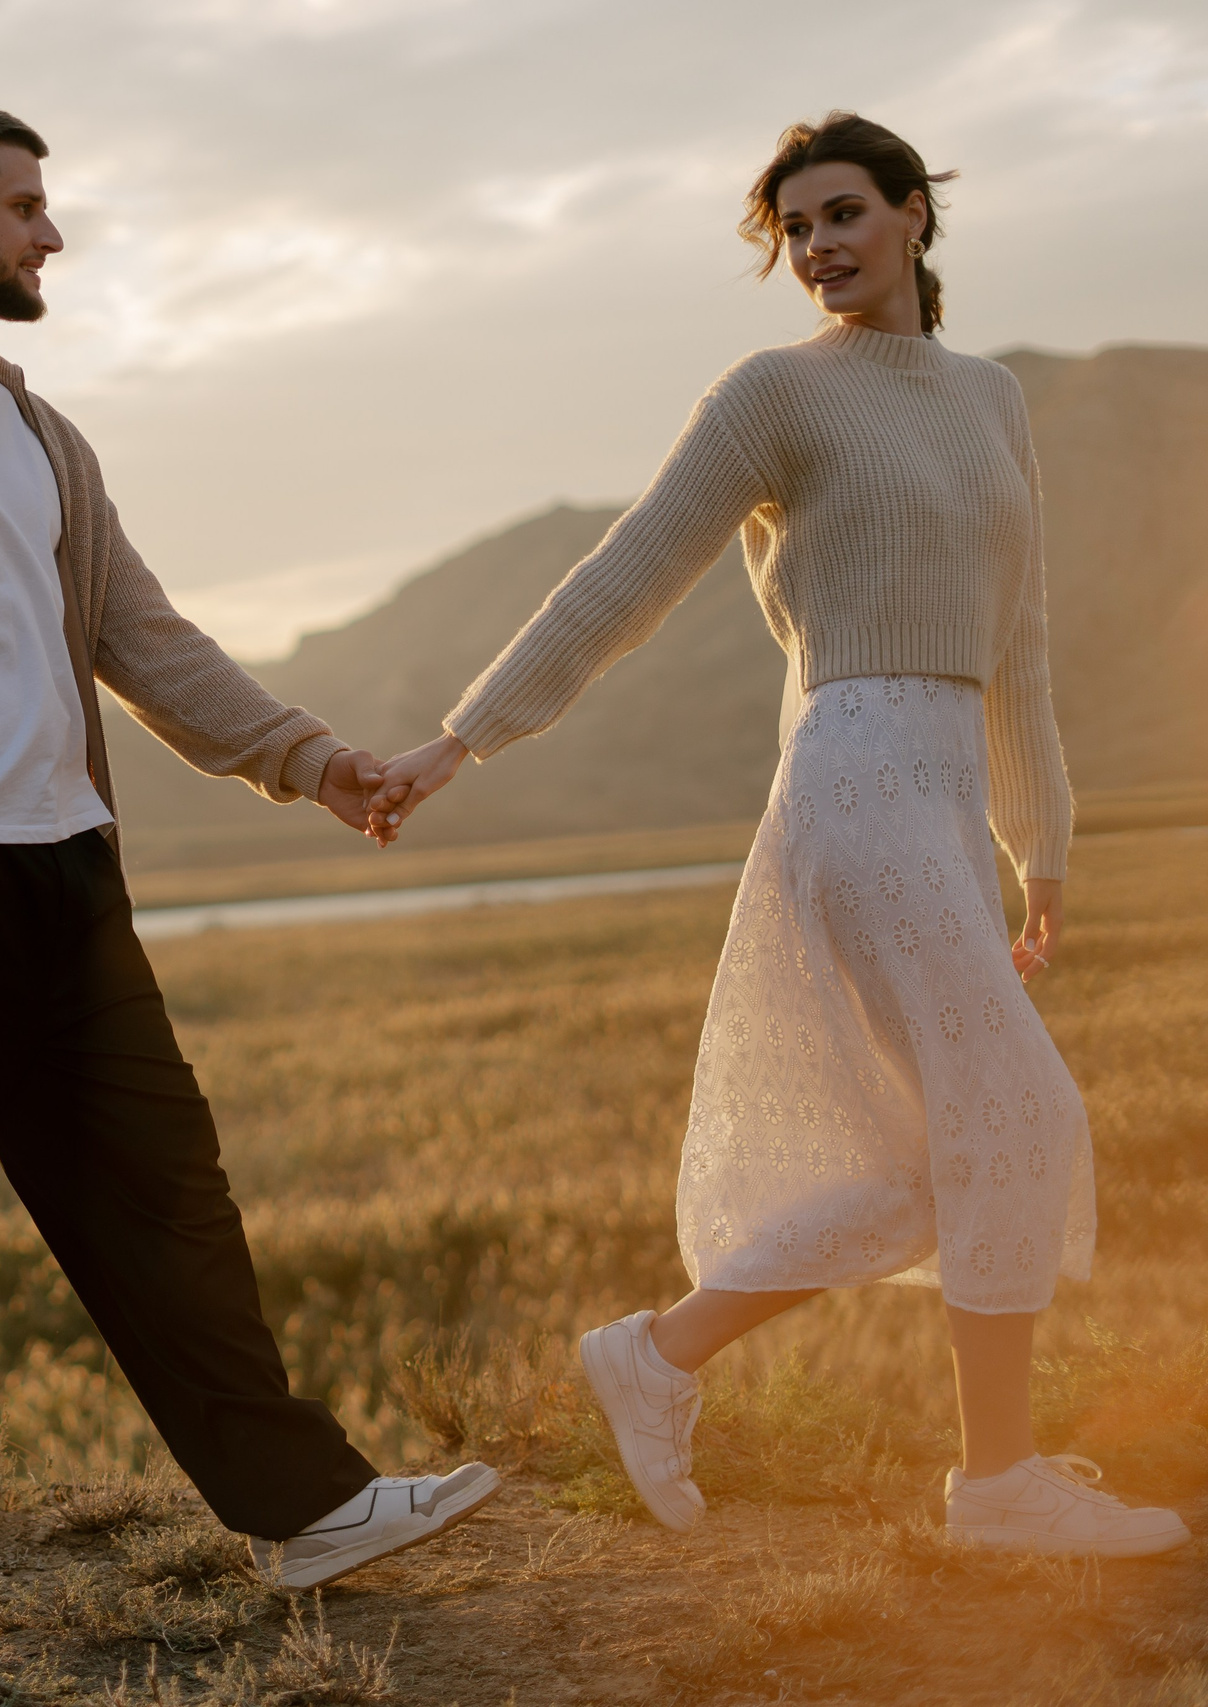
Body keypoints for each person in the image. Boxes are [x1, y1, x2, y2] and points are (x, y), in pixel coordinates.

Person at [0, 104, 498, 1628]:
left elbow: (141, 639)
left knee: (166, 1201)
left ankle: (303, 1507)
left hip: (66, 878)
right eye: (26, 205)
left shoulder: (47, 434)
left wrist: (310, 760)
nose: (51, 233)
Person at [360, 112, 1187, 1558]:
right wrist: (464, 736)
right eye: (795, 230)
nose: (819, 248)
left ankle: (661, 1356)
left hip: (939, 791)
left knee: (950, 1153)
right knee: (1025, 1115)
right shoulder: (773, 396)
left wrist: (1039, 849)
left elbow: (1024, 647)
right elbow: (630, 573)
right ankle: (997, 1486)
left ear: (917, 214)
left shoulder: (991, 400)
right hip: (854, 783)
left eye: (845, 214)